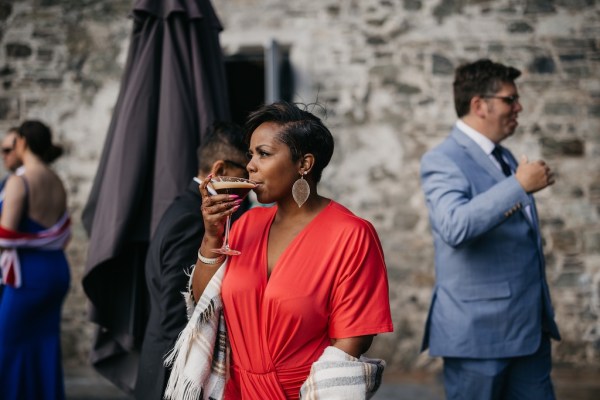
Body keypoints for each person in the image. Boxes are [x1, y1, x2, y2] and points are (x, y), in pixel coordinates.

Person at [166, 101, 393, 400]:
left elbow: (352, 343)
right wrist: (212, 235)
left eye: (264, 154)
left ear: (304, 164)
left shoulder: (351, 235)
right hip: (236, 391)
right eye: (250, 154)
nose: (250, 165)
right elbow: (204, 308)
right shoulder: (247, 224)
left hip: (307, 393)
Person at [419, 59, 561, 400]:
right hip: (478, 336)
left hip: (529, 332)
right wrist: (518, 186)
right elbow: (453, 226)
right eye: (510, 99)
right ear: (479, 105)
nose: (519, 106)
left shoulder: (507, 156)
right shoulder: (443, 159)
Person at [134, 121, 250, 400]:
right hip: (175, 373)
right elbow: (181, 308)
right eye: (244, 172)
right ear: (220, 170)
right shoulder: (191, 219)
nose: (251, 181)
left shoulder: (185, 206)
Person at [0, 120, 71, 400]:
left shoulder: (20, 180)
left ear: (22, 142)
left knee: (6, 346)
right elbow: (63, 232)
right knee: (44, 347)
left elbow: (5, 235)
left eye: (9, 146)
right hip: (55, 271)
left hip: (27, 276)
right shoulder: (57, 180)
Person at [0, 127, 25, 193]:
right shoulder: (5, 181)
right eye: (2, 150)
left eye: (7, 150)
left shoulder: (27, 180)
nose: (3, 156)